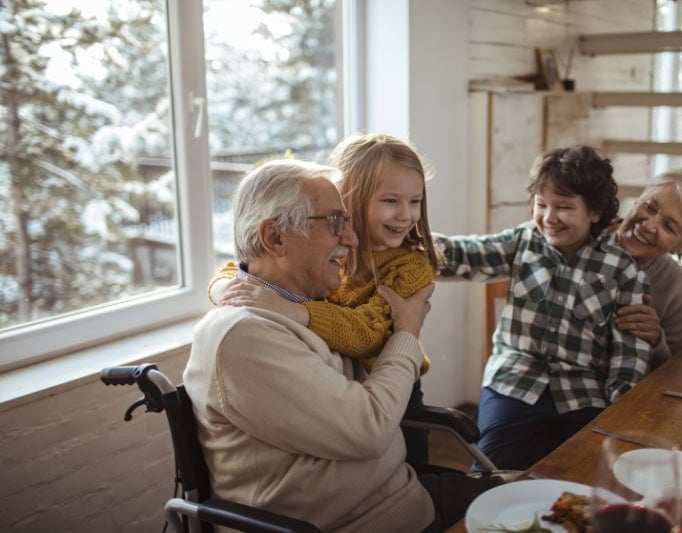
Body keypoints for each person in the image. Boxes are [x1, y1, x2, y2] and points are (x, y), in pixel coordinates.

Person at [184, 159, 497, 532]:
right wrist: (407, 332)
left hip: (401, 496)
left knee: (541, 498)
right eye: (335, 223)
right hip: (374, 520)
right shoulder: (243, 336)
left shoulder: (302, 300)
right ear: (276, 238)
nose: (351, 238)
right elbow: (369, 429)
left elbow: (242, 270)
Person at [209, 133, 439, 464]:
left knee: (411, 470)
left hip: (395, 389)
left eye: (415, 202)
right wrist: (226, 292)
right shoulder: (329, 253)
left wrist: (293, 309)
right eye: (391, 201)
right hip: (346, 388)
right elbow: (238, 269)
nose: (405, 215)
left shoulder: (408, 268)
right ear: (352, 202)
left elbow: (367, 334)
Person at [435, 145, 652, 471]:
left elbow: (629, 355)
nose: (549, 218)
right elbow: (468, 254)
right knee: (487, 473)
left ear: (594, 212)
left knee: (591, 471)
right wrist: (417, 241)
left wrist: (619, 408)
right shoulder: (524, 240)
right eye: (541, 204)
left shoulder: (622, 268)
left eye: (564, 207)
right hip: (515, 378)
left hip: (584, 389)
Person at [613, 168, 682, 367]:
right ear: (639, 198)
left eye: (669, 227)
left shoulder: (678, 288)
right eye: (650, 207)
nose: (648, 225)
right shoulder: (581, 237)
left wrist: (656, 340)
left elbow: (674, 372)